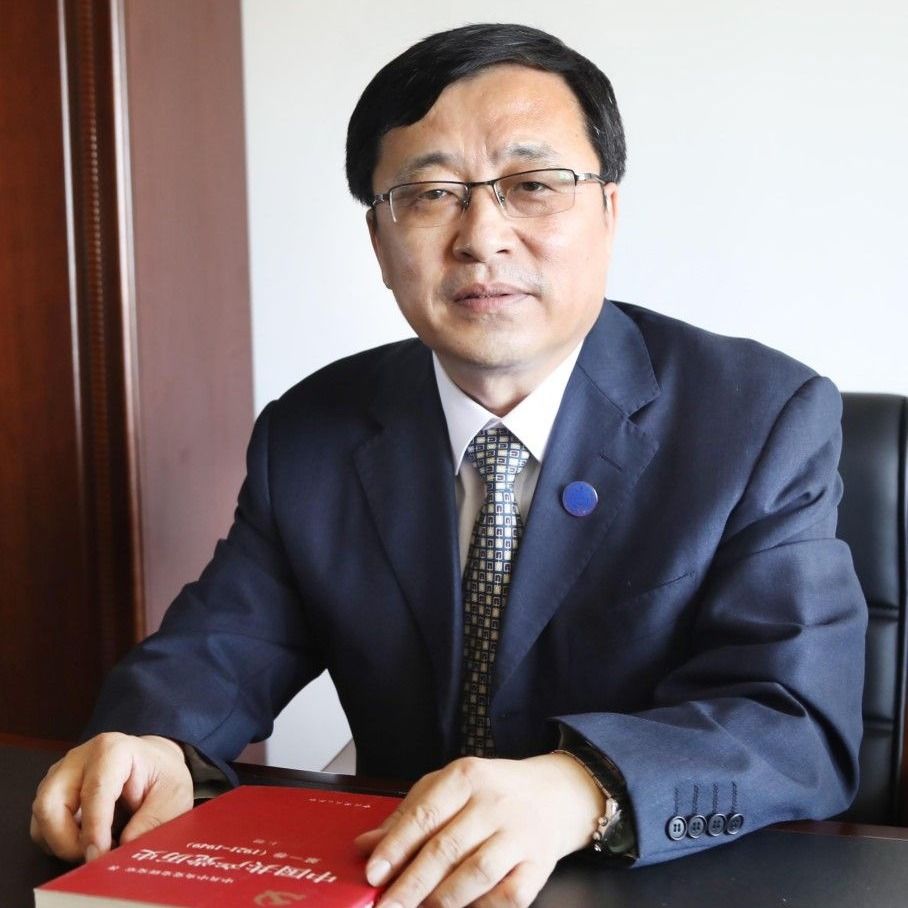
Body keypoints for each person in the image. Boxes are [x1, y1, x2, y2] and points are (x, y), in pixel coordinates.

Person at [31, 22, 866, 908]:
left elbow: (796, 724)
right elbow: (222, 648)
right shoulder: (313, 430)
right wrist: (150, 745)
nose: (482, 237)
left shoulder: (757, 418)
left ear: (608, 211)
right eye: (430, 194)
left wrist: (582, 789)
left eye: (532, 185)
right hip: (399, 879)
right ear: (379, 239)